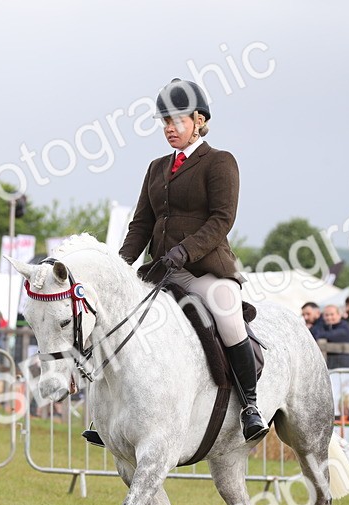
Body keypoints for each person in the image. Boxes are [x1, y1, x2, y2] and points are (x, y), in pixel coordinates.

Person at [114, 78, 267, 442]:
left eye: (176, 120)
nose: (168, 128)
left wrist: (185, 250)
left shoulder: (219, 162)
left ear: (198, 120)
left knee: (228, 319)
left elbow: (221, 219)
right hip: (162, 271)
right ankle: (111, 414)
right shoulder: (155, 168)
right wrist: (120, 267)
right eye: (164, 121)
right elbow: (142, 224)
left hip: (204, 270)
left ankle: (250, 406)